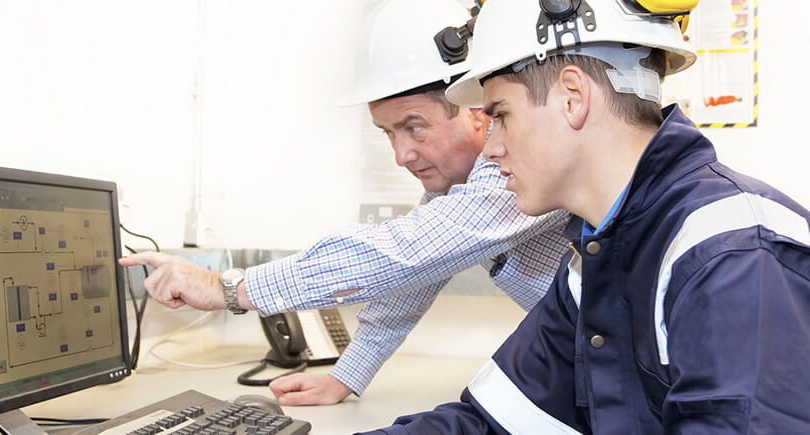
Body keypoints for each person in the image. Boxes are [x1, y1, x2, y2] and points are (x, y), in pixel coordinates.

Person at [362, 0, 810, 433]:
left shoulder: (734, 257)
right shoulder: (595, 258)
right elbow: (491, 422)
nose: (492, 146)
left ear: (572, 97)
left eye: (500, 115)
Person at [119, 0, 571, 407]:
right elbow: (414, 279)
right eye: (388, 134)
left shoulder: (517, 160)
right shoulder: (458, 185)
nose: (401, 155)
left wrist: (225, 288)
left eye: (414, 127)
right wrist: (346, 376)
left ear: (474, 107)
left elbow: (407, 252)